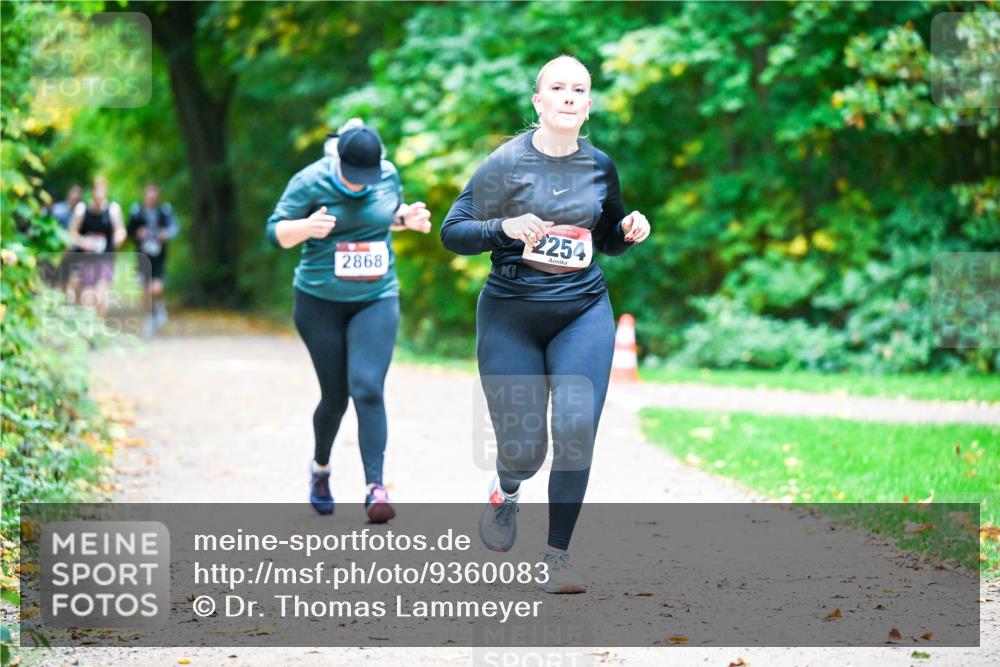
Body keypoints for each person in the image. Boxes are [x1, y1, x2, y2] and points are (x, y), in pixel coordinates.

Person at [440, 55, 651, 594]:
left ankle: (557, 556)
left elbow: (606, 239)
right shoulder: (506, 163)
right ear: (539, 102)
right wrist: (504, 227)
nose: (568, 96)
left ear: (588, 105)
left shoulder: (599, 165)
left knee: (576, 430)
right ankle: (506, 490)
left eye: (578, 89)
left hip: (582, 309)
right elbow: (453, 232)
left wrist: (628, 229)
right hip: (511, 314)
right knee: (524, 450)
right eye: (557, 87)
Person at [266, 123, 432, 522]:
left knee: (368, 388)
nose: (360, 185)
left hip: (376, 297)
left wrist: (406, 218)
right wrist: (306, 228)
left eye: (367, 177)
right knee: (335, 398)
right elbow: (275, 232)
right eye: (353, 177)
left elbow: (384, 216)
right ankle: (320, 468)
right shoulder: (309, 182)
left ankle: (376, 488)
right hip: (319, 302)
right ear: (337, 160)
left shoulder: (387, 175)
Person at [66, 176, 127, 317]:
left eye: (102, 191)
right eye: (97, 191)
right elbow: (71, 232)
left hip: (105, 258)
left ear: (106, 191)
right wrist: (83, 242)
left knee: (102, 297)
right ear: (92, 192)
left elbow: (121, 230)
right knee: (87, 299)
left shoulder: (113, 210)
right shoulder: (82, 210)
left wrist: (119, 237)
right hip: (85, 260)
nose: (99, 195)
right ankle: (88, 326)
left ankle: (99, 325)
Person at [128, 183, 180, 336]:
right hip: (143, 257)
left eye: (153, 195)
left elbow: (175, 227)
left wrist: (165, 234)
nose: (151, 198)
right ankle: (149, 319)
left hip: (159, 257)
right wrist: (138, 233)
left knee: (156, 288)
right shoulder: (137, 211)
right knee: (146, 289)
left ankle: (159, 306)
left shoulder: (164, 211)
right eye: (148, 195)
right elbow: (129, 230)